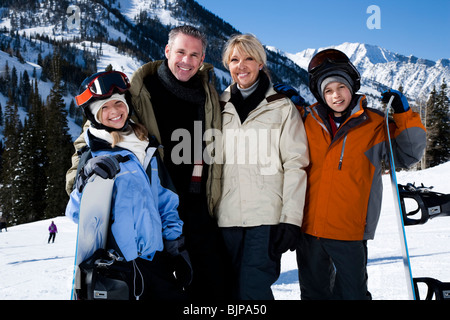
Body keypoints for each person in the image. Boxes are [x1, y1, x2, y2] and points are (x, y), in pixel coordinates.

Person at [65, 26, 231, 300]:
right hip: (151, 204)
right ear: (167, 51)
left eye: (194, 54)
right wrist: (83, 177)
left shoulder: (209, 94)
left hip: (192, 203)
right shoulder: (138, 90)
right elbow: (94, 135)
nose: (186, 61)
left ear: (202, 59)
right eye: (180, 52)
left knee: (214, 283)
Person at [275, 49, 426, 300]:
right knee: (313, 294)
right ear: (320, 94)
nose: (336, 96)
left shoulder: (375, 124)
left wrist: (403, 116)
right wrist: (291, 108)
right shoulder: (307, 120)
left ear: (351, 86)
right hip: (309, 229)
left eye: (341, 87)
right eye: (328, 91)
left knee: (352, 294)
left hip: (350, 231)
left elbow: (409, 154)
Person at [65, 70, 189, 300]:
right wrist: (84, 180)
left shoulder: (147, 147)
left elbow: (165, 201)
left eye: (118, 103)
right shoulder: (93, 154)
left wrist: (174, 242)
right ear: (93, 114)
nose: (114, 112)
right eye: (104, 107)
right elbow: (75, 214)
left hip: (155, 260)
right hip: (117, 266)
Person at [218, 33, 309, 300]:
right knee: (226, 292)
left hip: (266, 220)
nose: (241, 65)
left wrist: (291, 220)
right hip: (225, 219)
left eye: (249, 58)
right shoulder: (217, 106)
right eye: (235, 59)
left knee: (253, 292)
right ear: (228, 65)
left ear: (260, 63)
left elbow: (296, 165)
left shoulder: (281, 107)